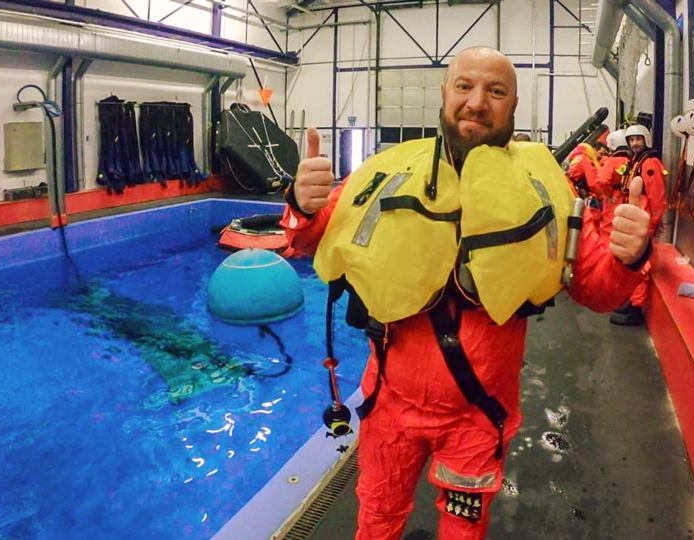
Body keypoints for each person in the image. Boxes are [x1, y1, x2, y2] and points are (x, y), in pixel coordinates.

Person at [281, 46, 653, 540]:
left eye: (495, 91)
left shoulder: (544, 189)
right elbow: (313, 238)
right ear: (444, 93)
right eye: (465, 86)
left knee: (464, 530)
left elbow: (593, 286)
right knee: (376, 517)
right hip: (389, 403)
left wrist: (627, 258)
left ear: (514, 105)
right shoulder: (388, 173)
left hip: (478, 417)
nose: (477, 102)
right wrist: (302, 206)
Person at [609, 123, 667, 326]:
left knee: (641, 263)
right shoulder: (636, 162)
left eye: (638, 140)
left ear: (646, 140)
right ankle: (632, 300)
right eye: (631, 140)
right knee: (631, 260)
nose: (634, 143)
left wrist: (653, 221)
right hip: (636, 217)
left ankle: (636, 307)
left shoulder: (649, 163)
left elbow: (657, 196)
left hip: (644, 220)